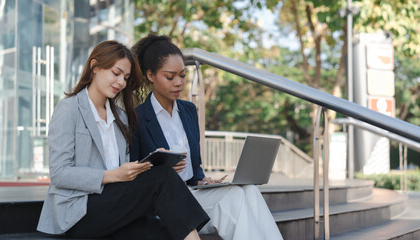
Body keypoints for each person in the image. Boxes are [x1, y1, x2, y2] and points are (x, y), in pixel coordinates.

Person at [36, 40, 209, 240]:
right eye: (115, 73)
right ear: (95, 67)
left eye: (125, 77)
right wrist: (112, 175)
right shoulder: (69, 109)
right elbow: (59, 173)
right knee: (161, 177)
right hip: (78, 211)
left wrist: (150, 162)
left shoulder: (121, 116)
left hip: (114, 205)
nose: (121, 82)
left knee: (168, 231)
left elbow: (124, 170)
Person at [131, 34, 284, 240]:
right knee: (235, 197)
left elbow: (195, 166)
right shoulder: (138, 118)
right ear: (151, 76)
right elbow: (132, 174)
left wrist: (202, 180)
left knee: (249, 189)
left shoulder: (188, 110)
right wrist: (160, 166)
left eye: (183, 75)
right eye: (170, 77)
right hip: (163, 204)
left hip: (193, 194)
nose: (179, 83)